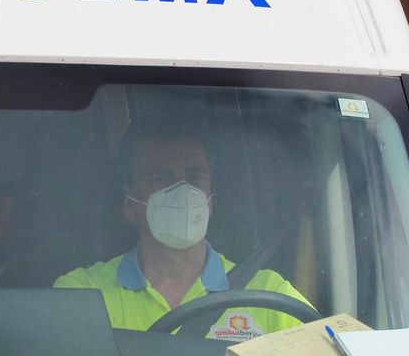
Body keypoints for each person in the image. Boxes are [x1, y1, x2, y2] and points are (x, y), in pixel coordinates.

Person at [54, 120, 314, 341]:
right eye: (161, 177)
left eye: (195, 176)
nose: (183, 191)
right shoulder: (84, 294)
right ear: (129, 203)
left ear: (210, 200)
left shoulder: (269, 294)